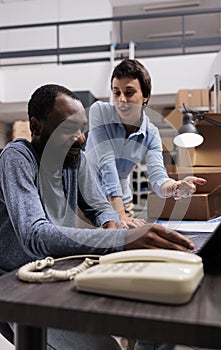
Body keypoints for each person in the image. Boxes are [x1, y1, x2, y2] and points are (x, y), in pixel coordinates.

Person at [0, 83, 195, 350]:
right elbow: (35, 235)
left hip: (59, 271)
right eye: (69, 129)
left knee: (158, 321)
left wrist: (109, 221)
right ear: (36, 127)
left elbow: (99, 205)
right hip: (17, 285)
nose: (81, 139)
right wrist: (120, 238)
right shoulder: (18, 158)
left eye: (82, 129)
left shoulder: (73, 159)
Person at [85, 59, 207, 228]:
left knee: (125, 249)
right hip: (88, 201)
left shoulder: (151, 134)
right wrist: (118, 214)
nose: (121, 100)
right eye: (116, 93)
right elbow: (106, 163)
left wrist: (175, 187)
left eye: (129, 92)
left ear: (145, 96)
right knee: (86, 251)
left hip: (123, 203)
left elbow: (158, 178)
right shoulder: (99, 112)